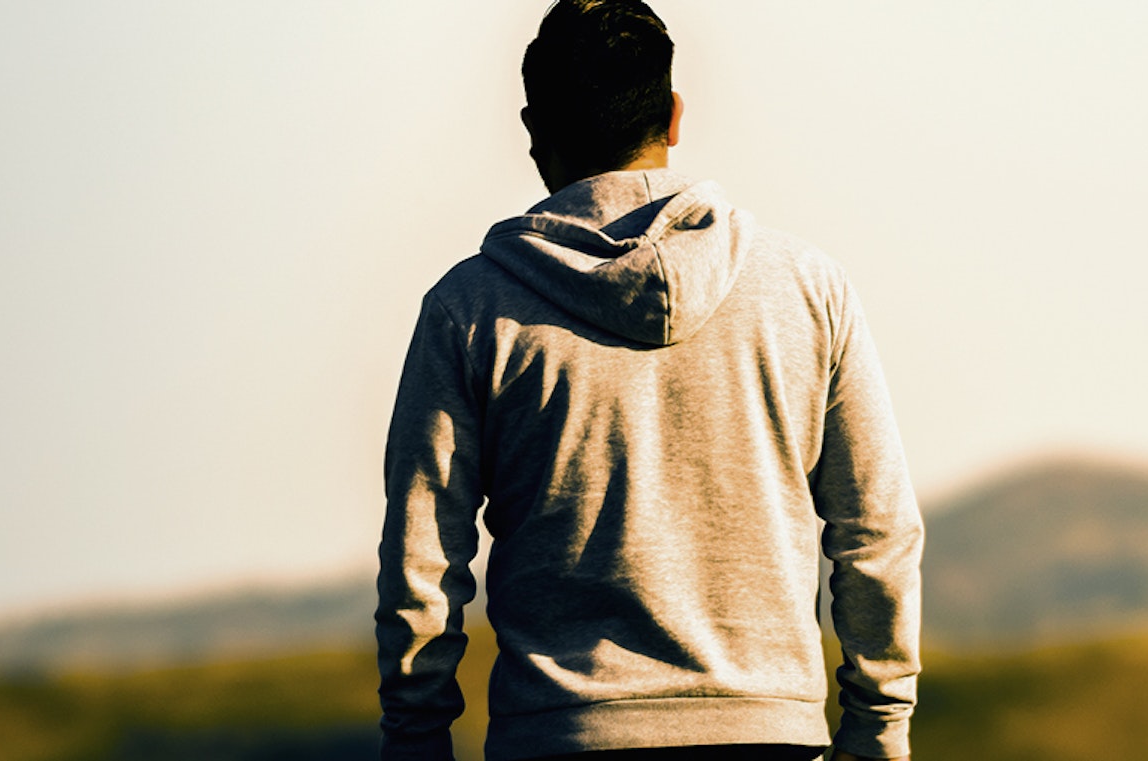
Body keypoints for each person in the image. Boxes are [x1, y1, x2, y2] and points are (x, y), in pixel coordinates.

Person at [372, 2, 924, 760]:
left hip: (559, 733)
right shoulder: (806, 288)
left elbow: (423, 555)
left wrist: (416, 735)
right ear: (673, 116)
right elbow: (877, 528)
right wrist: (878, 727)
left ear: (534, 129)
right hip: (768, 733)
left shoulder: (469, 310)